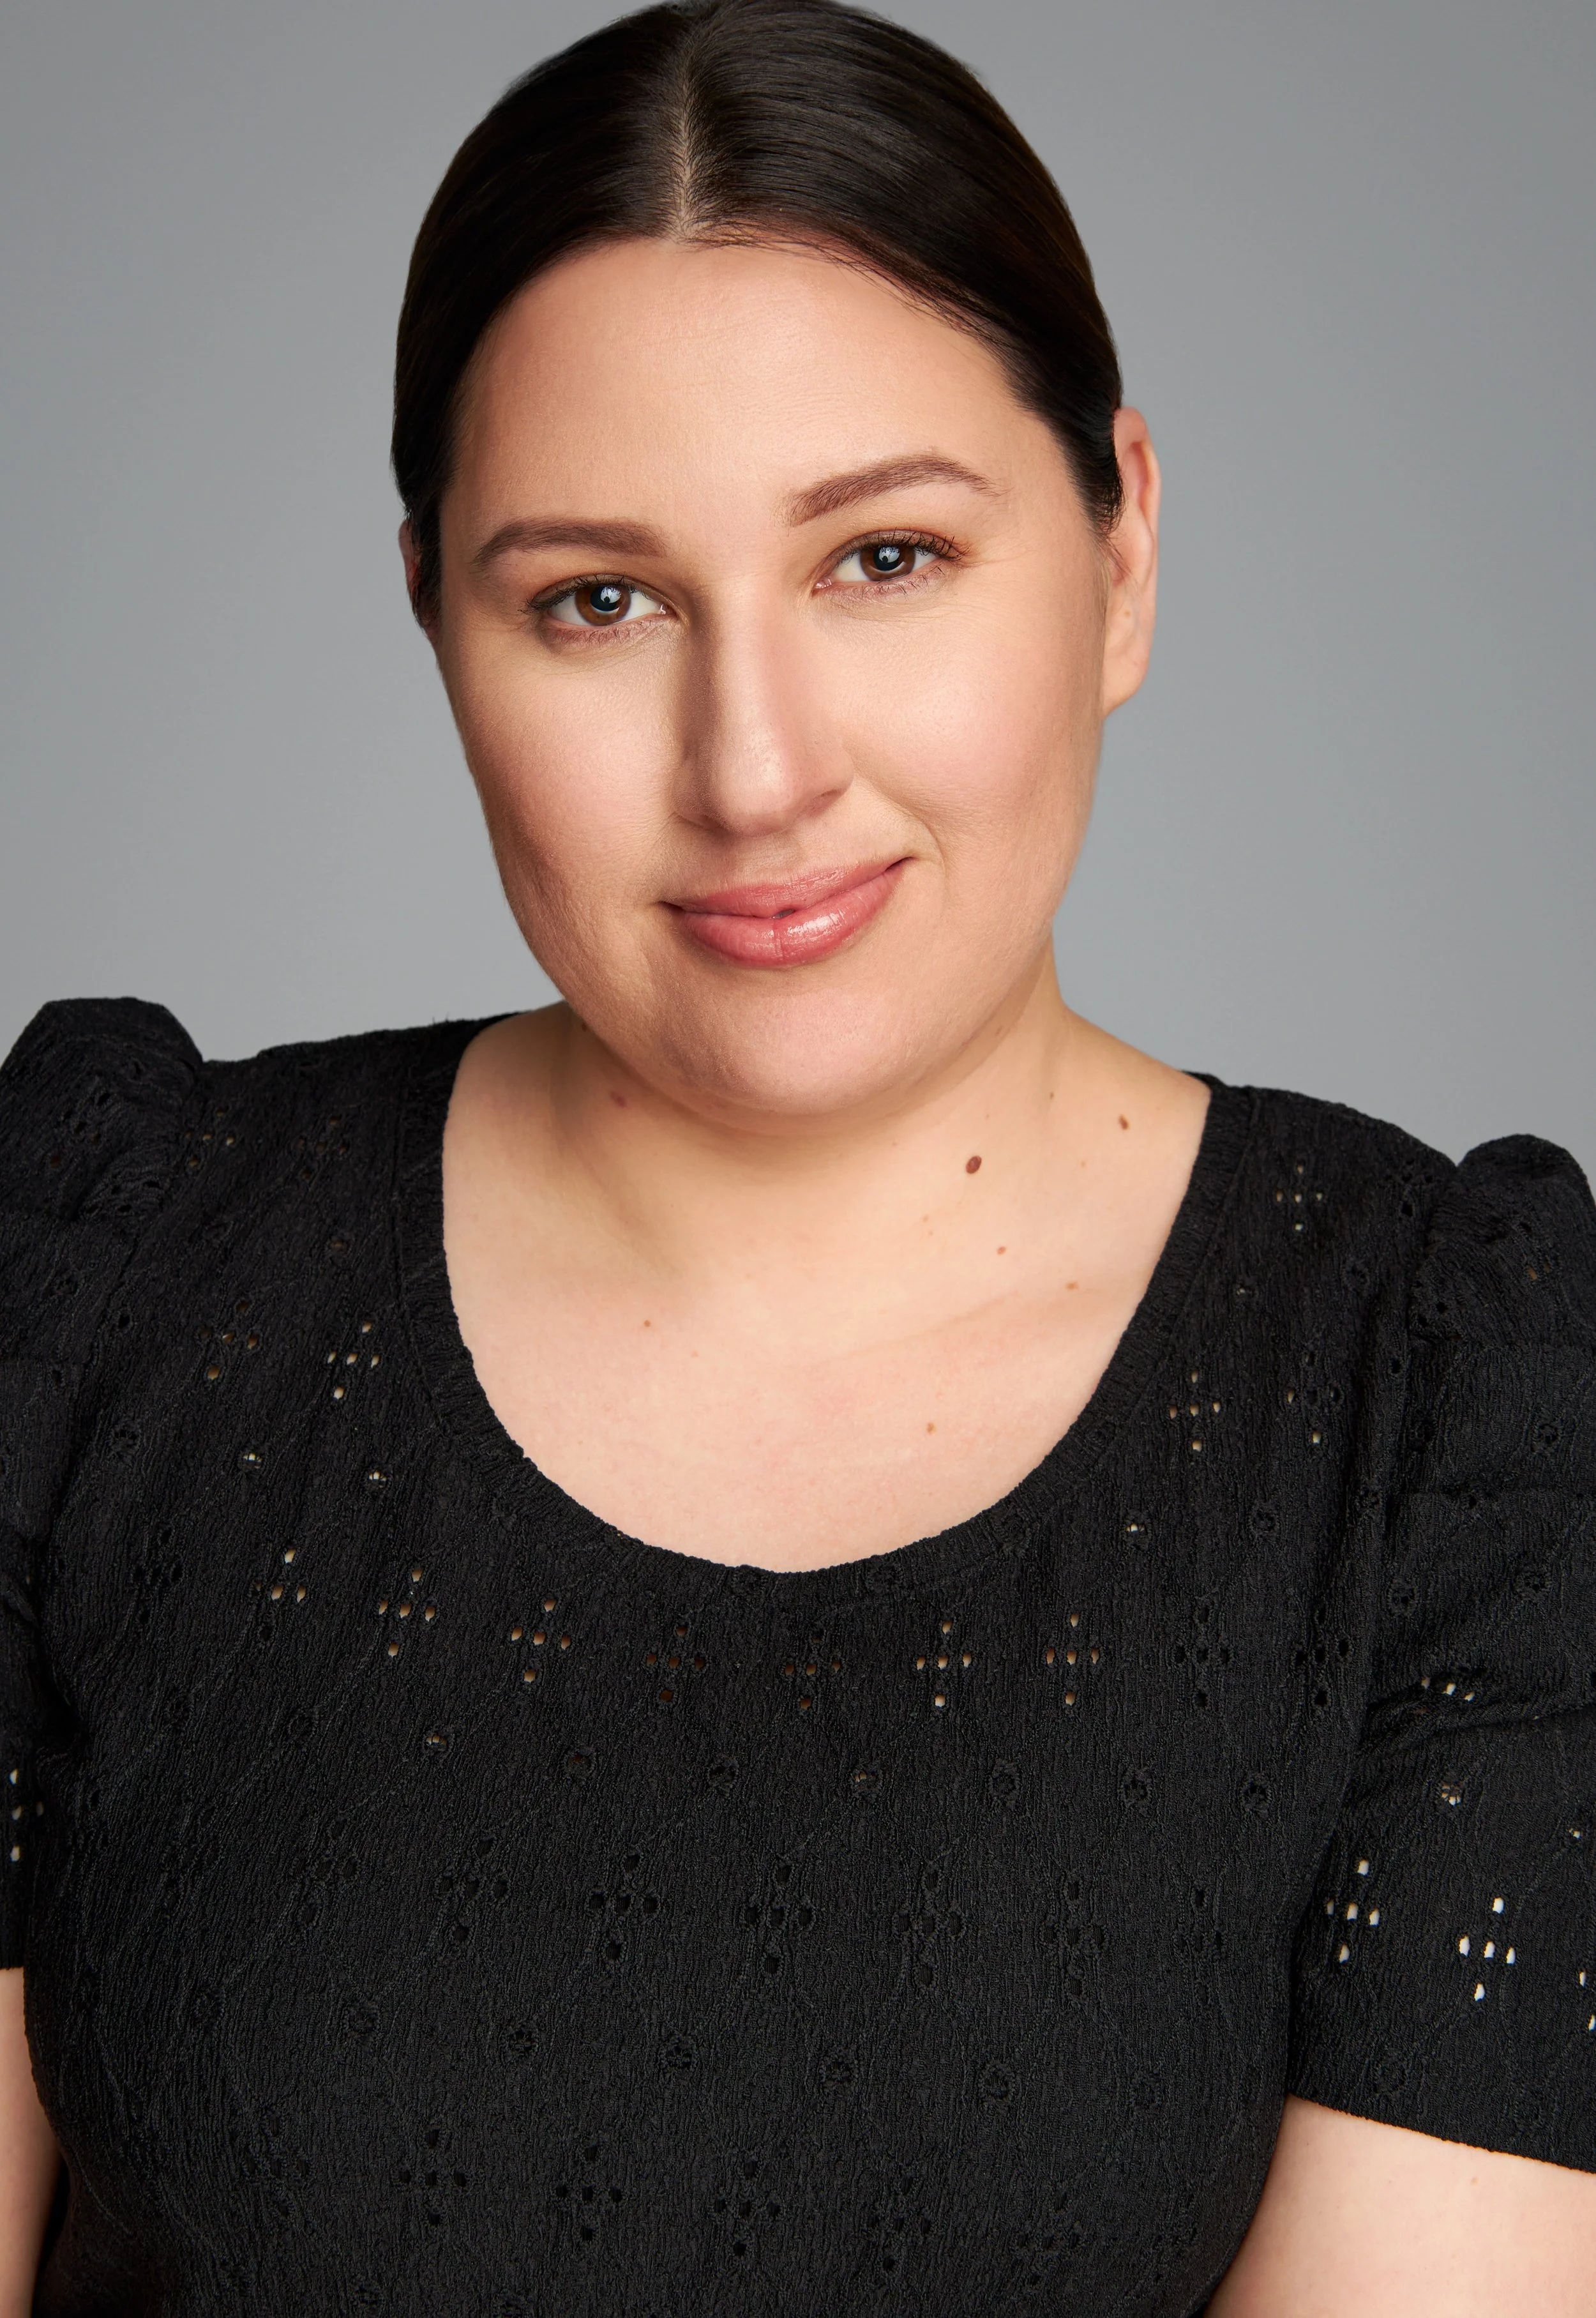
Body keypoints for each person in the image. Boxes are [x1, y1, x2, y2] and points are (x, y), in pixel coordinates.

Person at [3, 0, 1593, 2308]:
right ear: (436, 622)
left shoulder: (1457, 1411)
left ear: (1122, 545)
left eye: (885, 557)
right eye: (596, 600)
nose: (753, 770)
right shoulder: (92, 1266)